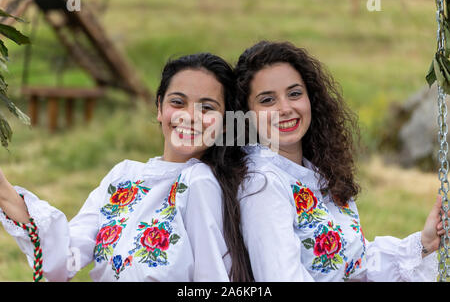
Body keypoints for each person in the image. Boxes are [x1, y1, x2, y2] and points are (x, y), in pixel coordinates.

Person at [0, 53, 253, 282]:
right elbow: (65, 258)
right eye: (178, 102)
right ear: (159, 108)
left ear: (226, 123)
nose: (189, 116)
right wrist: (4, 191)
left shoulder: (203, 183)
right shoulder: (124, 176)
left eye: (207, 108)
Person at [234, 40, 443, 281]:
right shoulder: (262, 185)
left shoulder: (312, 171)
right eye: (267, 100)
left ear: (311, 98)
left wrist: (424, 243)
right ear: (246, 114)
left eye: (294, 94)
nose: (285, 108)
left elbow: (355, 265)